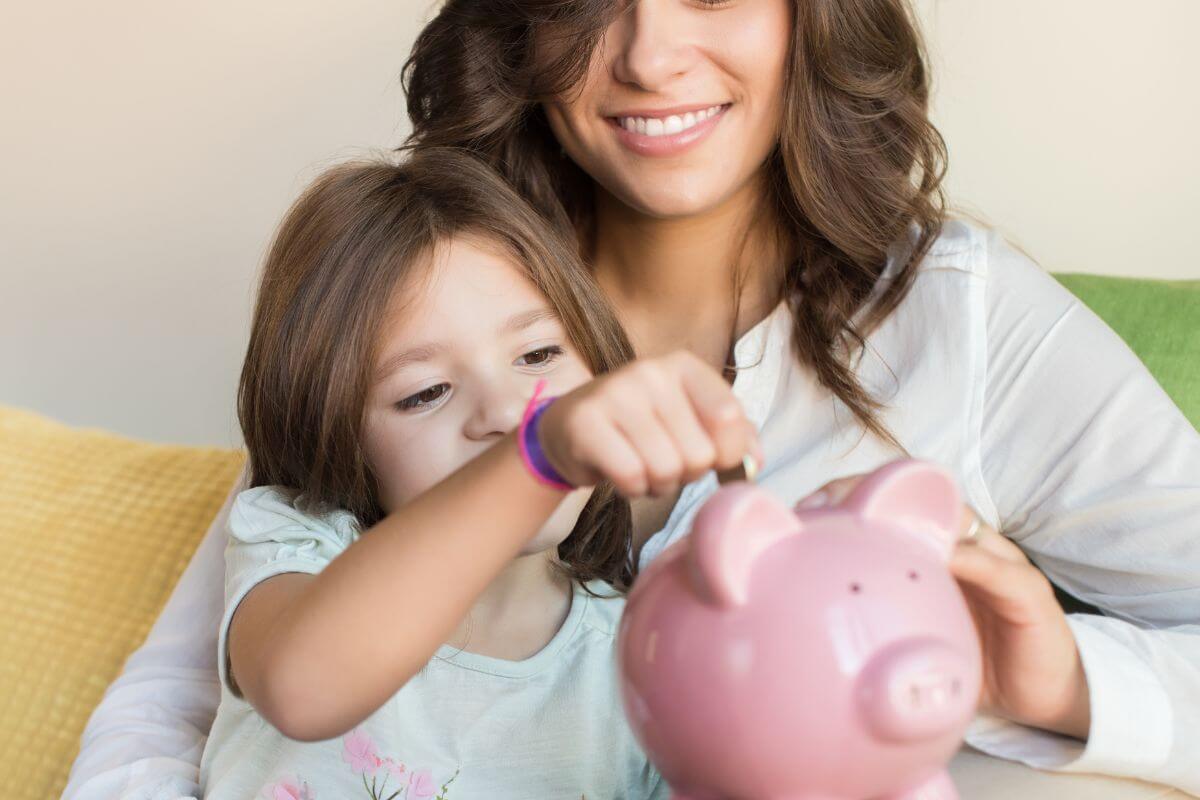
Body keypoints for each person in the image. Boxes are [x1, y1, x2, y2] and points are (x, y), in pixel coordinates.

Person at [64, 0, 1200, 797]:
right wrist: (542, 452)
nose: (651, 54)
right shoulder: (436, 269)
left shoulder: (966, 321)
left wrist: (1063, 683)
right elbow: (189, 699)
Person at [195, 147, 766, 798]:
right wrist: (541, 453)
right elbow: (303, 689)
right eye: (424, 393)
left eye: (539, 352)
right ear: (340, 438)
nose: (503, 414)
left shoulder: (639, 658)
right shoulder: (296, 548)